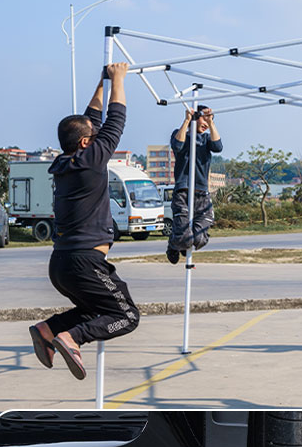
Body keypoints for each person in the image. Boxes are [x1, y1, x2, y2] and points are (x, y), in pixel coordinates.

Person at [28, 63, 139, 380]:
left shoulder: (64, 163)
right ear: (88, 143)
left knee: (95, 311)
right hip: (85, 262)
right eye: (94, 135)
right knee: (127, 315)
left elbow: (94, 120)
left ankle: (48, 329)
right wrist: (118, 80)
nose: (99, 135)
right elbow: (115, 121)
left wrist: (101, 83)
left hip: (61, 264)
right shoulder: (91, 160)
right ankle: (71, 337)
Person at [166, 105, 223, 264]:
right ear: (195, 117)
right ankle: (174, 244)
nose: (206, 122)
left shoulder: (206, 140)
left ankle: (181, 242)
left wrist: (211, 123)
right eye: (204, 118)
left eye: (210, 118)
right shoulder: (180, 134)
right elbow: (177, 146)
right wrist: (186, 121)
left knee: (199, 238)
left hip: (201, 192)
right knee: (184, 237)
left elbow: (218, 147)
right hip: (183, 191)